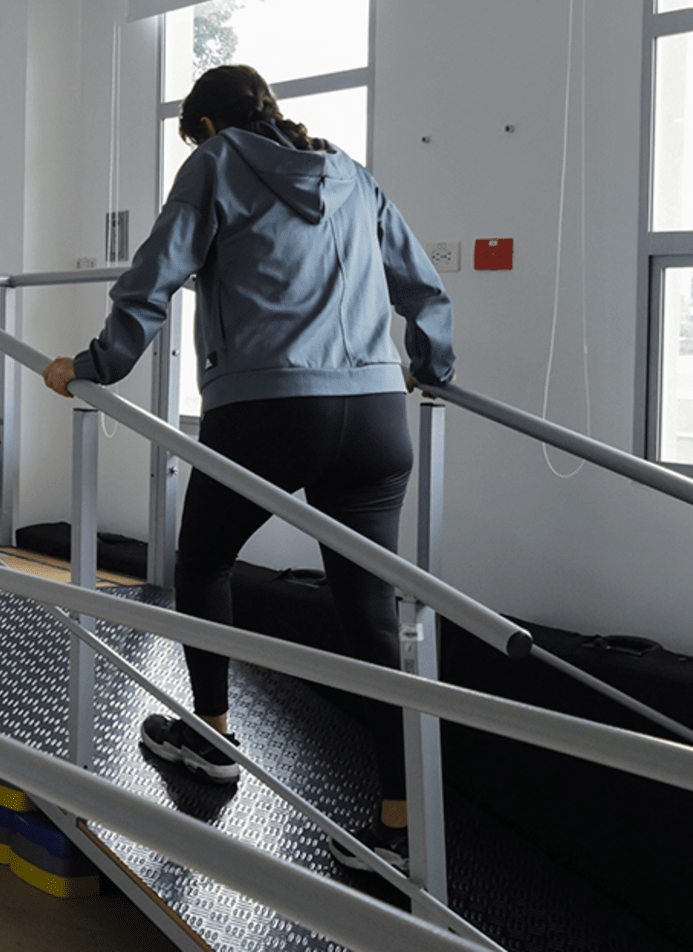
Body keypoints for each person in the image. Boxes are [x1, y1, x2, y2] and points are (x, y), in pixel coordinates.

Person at [42, 65, 455, 872]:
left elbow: (155, 277)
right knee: (372, 622)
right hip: (375, 415)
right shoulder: (353, 174)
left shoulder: (216, 164)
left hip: (266, 412)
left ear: (203, 127)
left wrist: (94, 366)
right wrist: (431, 370)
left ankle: (213, 736)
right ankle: (399, 831)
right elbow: (423, 288)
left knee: (202, 563)